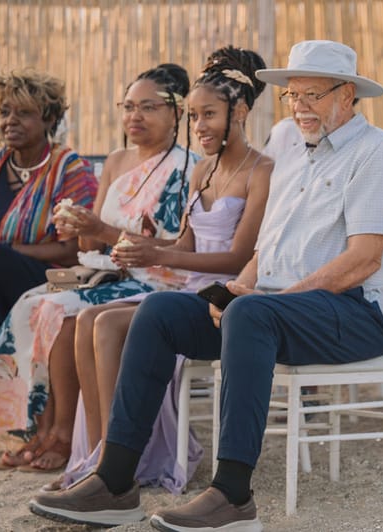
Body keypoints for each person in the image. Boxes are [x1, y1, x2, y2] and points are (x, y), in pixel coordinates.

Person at [29, 39, 383, 530]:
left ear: (348, 96)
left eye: (314, 95)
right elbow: (264, 251)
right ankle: (116, 483)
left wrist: (269, 303)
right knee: (160, 312)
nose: (301, 107)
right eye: (293, 96)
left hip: (356, 313)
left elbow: (362, 260)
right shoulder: (293, 156)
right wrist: (236, 291)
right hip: (277, 312)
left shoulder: (377, 153)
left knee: (252, 314)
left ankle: (232, 497)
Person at [56, 45, 272, 493]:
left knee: (111, 324)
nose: (199, 127)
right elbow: (185, 245)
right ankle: (100, 453)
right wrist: (141, 246)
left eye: (208, 114)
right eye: (193, 116)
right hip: (188, 285)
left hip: (223, 295)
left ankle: (123, 462)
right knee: (89, 319)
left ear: (241, 111)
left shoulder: (262, 171)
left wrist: (157, 256)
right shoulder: (204, 173)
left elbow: (238, 258)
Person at [0, 63, 195, 472]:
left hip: (159, 279)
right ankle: (40, 431)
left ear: (175, 113)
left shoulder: (189, 167)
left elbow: (181, 248)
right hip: (106, 272)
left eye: (148, 107)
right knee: (35, 304)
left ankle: (64, 434)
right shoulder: (115, 161)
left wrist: (97, 230)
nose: (135, 116)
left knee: (59, 312)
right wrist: (79, 226)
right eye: (128, 106)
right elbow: (87, 246)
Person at [0, 71, 97, 358]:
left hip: (57, 278)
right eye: (5, 112)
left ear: (48, 118)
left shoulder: (68, 168)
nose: (10, 121)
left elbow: (73, 251)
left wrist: (6, 249)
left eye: (23, 113)